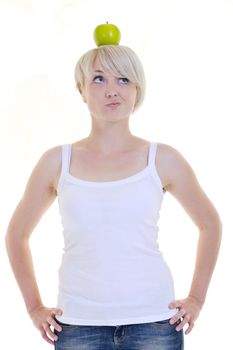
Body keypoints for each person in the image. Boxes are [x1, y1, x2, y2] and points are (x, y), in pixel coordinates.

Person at [5, 44, 222, 350]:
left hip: (154, 324)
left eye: (123, 80)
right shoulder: (56, 161)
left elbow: (210, 224)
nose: (112, 90)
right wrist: (34, 308)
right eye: (98, 79)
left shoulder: (162, 159)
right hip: (78, 325)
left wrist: (197, 299)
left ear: (137, 90)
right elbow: (17, 234)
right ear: (81, 90)